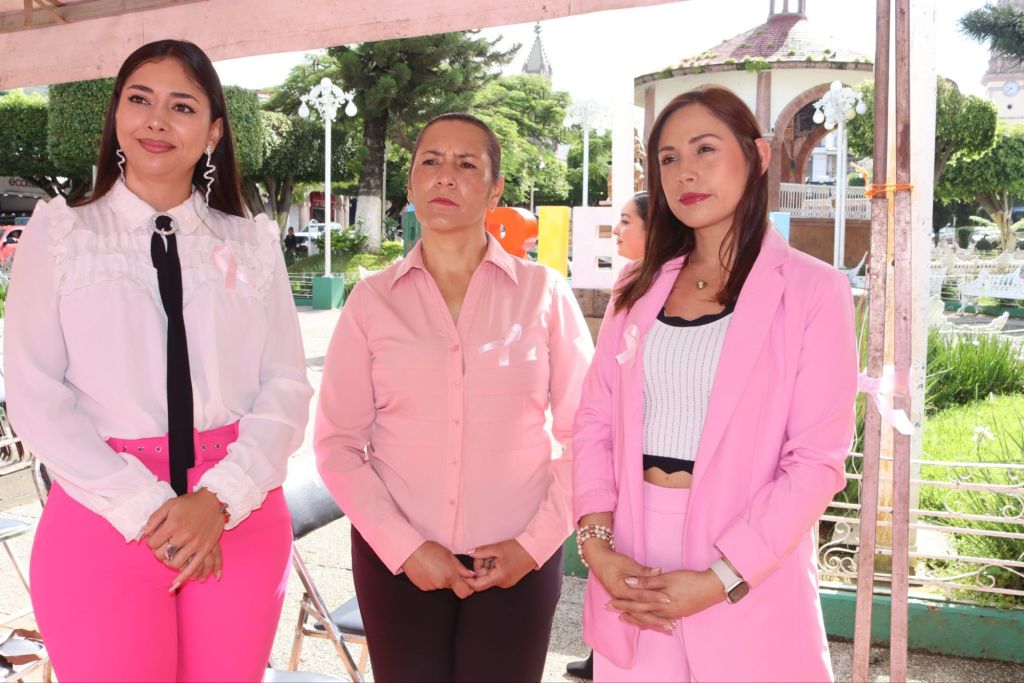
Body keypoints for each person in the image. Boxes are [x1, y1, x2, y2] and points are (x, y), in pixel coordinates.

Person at [5, 39, 312, 682]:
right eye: (140, 99)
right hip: (102, 508)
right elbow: (34, 391)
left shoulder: (251, 244)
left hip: (237, 510)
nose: (156, 120)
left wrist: (219, 498)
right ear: (117, 113)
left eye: (182, 106)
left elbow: (285, 382)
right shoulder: (61, 235)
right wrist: (145, 506)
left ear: (213, 132)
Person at [572, 86, 857, 682]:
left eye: (705, 149)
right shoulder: (637, 286)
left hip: (748, 559)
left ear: (757, 156)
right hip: (632, 566)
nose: (686, 172)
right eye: (668, 158)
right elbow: (595, 420)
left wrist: (722, 577)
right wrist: (597, 545)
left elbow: (816, 461)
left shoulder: (813, 290)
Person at [315, 112, 594, 682]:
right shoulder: (372, 302)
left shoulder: (543, 294)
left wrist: (534, 544)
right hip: (399, 563)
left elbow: (586, 434)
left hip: (516, 562)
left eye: (467, 164)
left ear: (495, 189)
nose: (446, 176)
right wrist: (404, 547)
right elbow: (338, 445)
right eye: (431, 162)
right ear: (411, 183)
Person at [567, 189, 650, 682]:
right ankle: (602, 655)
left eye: (626, 221)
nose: (616, 231)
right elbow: (599, 396)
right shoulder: (629, 282)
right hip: (612, 455)